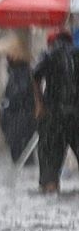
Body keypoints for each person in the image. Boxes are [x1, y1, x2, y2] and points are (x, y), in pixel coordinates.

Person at [31, 30, 79, 193]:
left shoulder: (49, 54)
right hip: (76, 116)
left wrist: (39, 104)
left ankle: (50, 187)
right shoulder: (77, 54)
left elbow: (35, 74)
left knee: (50, 166)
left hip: (53, 116)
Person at [0, 31, 36, 165]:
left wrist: (7, 108)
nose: (6, 58)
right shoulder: (18, 72)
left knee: (21, 157)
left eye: (8, 55)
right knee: (20, 156)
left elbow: (18, 95)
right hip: (18, 121)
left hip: (21, 121)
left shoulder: (22, 73)